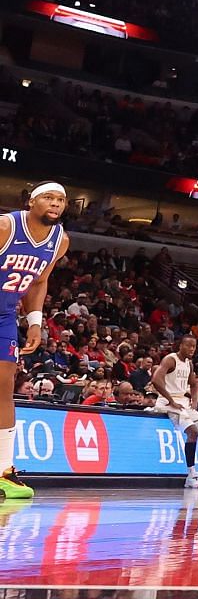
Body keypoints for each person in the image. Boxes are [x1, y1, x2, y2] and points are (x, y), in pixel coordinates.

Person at [0, 184, 68, 499]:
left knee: (4, 387)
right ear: (31, 201)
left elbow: (39, 281)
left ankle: (3, 472)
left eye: (61, 200)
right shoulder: (6, 227)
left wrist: (35, 322)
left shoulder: (60, 241)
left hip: (5, 315)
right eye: (48, 197)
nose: (55, 203)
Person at [153, 335, 198, 488]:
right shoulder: (170, 360)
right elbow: (155, 380)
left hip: (183, 402)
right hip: (168, 402)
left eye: (194, 346)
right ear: (180, 346)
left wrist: (194, 400)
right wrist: (170, 400)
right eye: (189, 346)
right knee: (193, 432)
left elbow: (194, 384)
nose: (192, 349)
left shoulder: (189, 363)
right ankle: (191, 475)